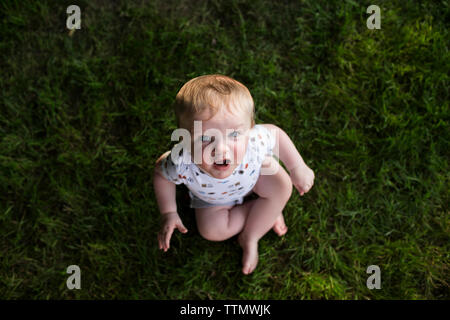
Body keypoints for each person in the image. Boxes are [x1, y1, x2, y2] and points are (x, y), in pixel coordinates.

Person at [153, 74, 315, 274]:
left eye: (235, 135)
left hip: (253, 177)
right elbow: (161, 174)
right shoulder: (181, 162)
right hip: (213, 200)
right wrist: (169, 212)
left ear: (250, 129)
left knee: (281, 185)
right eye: (205, 138)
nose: (221, 149)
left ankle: (251, 235)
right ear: (185, 139)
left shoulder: (255, 142)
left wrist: (297, 167)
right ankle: (265, 212)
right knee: (212, 231)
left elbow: (276, 135)